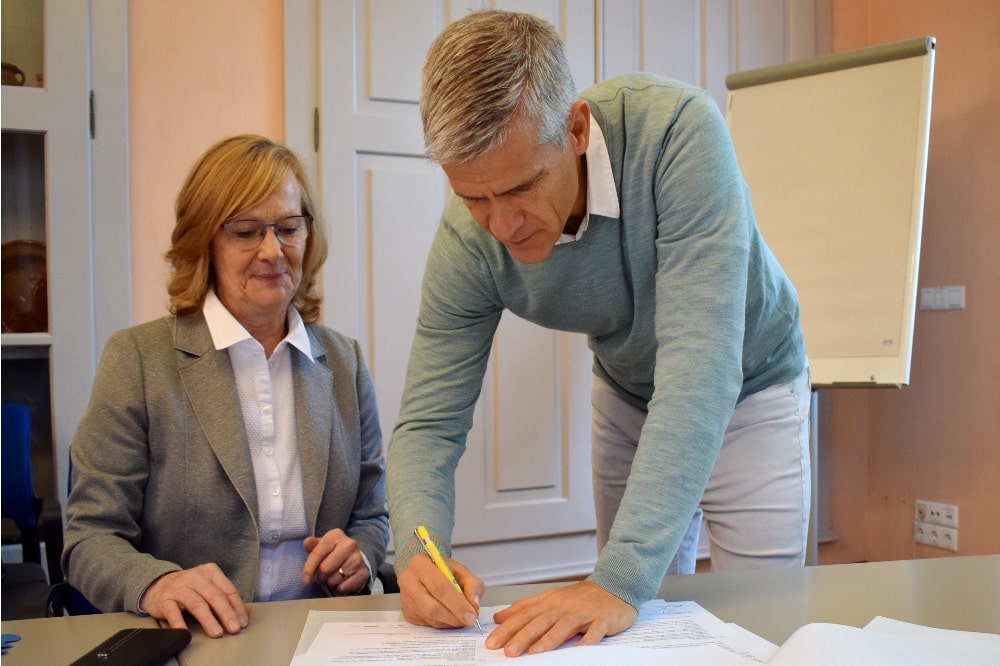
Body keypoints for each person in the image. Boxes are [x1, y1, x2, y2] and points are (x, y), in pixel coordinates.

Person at [386, 9, 811, 658]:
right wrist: (418, 551)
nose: (500, 224)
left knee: (763, 626)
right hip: (628, 394)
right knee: (632, 634)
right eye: (474, 198)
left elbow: (701, 372)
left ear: (578, 128)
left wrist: (616, 578)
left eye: (521, 187)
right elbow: (429, 423)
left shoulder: (679, 135)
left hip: (752, 388)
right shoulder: (468, 239)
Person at [62, 135, 390, 638]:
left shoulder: (344, 361)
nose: (271, 250)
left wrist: (361, 555)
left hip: (325, 636)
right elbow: (89, 538)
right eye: (245, 231)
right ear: (205, 244)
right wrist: (158, 584)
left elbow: (372, 515)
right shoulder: (139, 359)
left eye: (288, 228)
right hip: (198, 638)